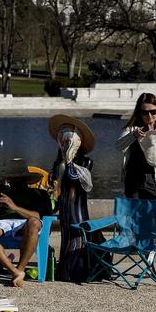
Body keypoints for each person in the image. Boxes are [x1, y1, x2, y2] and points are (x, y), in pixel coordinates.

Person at [116, 92, 156, 281]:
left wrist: (153, 138)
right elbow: (118, 146)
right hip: (134, 181)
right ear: (139, 112)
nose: (149, 116)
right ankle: (148, 263)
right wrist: (133, 136)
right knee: (138, 222)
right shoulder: (131, 129)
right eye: (144, 112)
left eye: (153, 112)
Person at [49, 114, 106, 283]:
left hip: (77, 208)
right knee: (66, 236)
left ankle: (78, 269)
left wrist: (68, 161)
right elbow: (53, 181)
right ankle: (65, 269)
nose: (65, 143)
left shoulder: (85, 162)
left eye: (69, 139)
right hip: (65, 208)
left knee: (78, 236)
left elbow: (74, 177)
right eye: (62, 139)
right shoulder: (57, 163)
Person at [0, 172, 54, 287]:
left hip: (27, 222)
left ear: (27, 181)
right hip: (5, 223)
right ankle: (14, 271)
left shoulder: (39, 194)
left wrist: (14, 207)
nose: (17, 182)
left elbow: (39, 216)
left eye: (20, 180)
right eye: (14, 179)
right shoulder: (3, 194)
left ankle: (20, 268)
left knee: (34, 222)